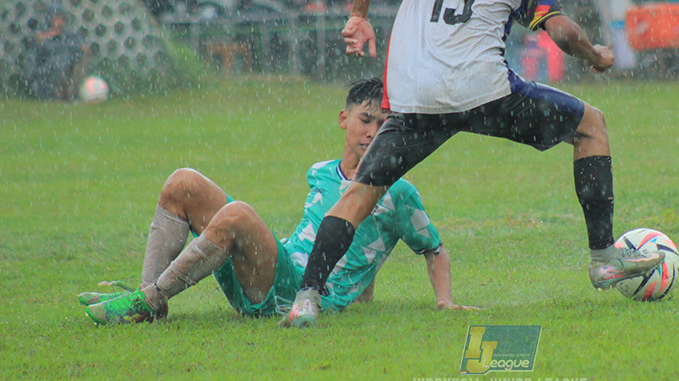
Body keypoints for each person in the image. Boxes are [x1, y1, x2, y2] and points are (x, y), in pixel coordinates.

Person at [284, 0, 663, 329]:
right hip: (482, 91)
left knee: (360, 193)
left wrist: (358, 15)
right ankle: (604, 257)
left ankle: (306, 299)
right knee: (590, 125)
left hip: (414, 93)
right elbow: (563, 33)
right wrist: (596, 55)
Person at [83, 78, 475, 325]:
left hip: (298, 295)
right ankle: (146, 293)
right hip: (272, 269)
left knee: (237, 214)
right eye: (366, 119)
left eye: (384, 124)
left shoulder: (399, 192)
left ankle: (149, 301)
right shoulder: (321, 171)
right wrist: (366, 284)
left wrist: (445, 302)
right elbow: (343, 232)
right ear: (344, 119)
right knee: (182, 182)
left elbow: (434, 249)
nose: (373, 131)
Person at [22, 1, 91, 101]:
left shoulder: (66, 35)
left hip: (63, 73)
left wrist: (81, 49)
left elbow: (76, 46)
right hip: (42, 77)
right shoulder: (41, 35)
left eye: (61, 18)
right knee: (60, 60)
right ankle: (56, 93)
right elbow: (50, 49)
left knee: (81, 58)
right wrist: (75, 47)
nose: (59, 22)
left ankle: (70, 93)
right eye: (56, 18)